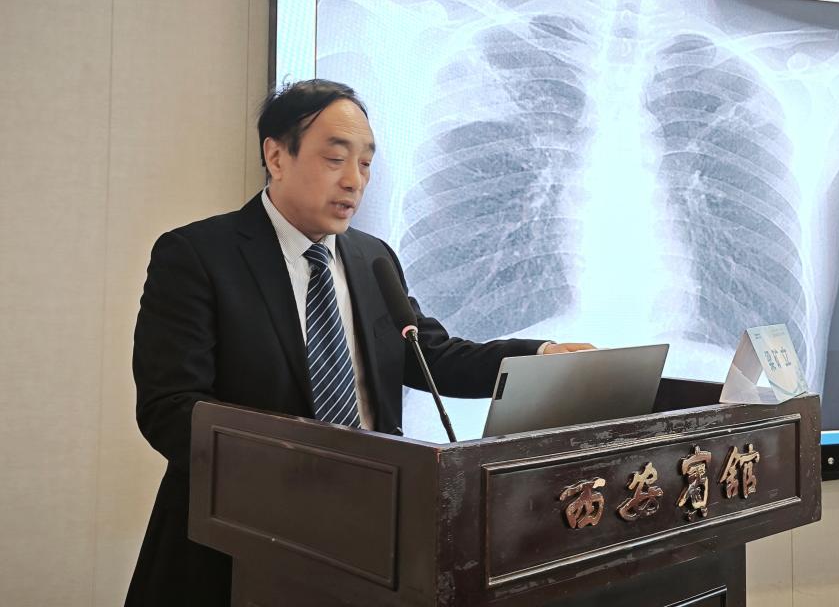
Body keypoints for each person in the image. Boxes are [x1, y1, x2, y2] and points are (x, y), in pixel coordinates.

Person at [126, 79, 592, 606]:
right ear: (276, 157)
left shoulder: (373, 258)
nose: (354, 181)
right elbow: (171, 408)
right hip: (240, 544)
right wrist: (300, 469)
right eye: (335, 159)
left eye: (366, 164)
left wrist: (540, 357)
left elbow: (431, 356)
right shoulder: (198, 255)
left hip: (373, 537)